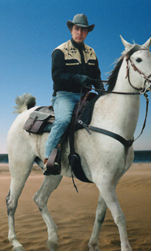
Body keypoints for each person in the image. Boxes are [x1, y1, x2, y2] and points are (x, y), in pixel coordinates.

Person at [43, 14, 104, 175]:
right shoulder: (59, 51)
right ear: (71, 30)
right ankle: (47, 157)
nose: (80, 33)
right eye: (77, 29)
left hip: (85, 95)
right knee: (63, 120)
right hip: (64, 95)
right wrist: (77, 78)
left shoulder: (91, 52)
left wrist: (103, 93)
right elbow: (56, 77)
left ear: (87, 32)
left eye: (83, 30)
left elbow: (97, 77)